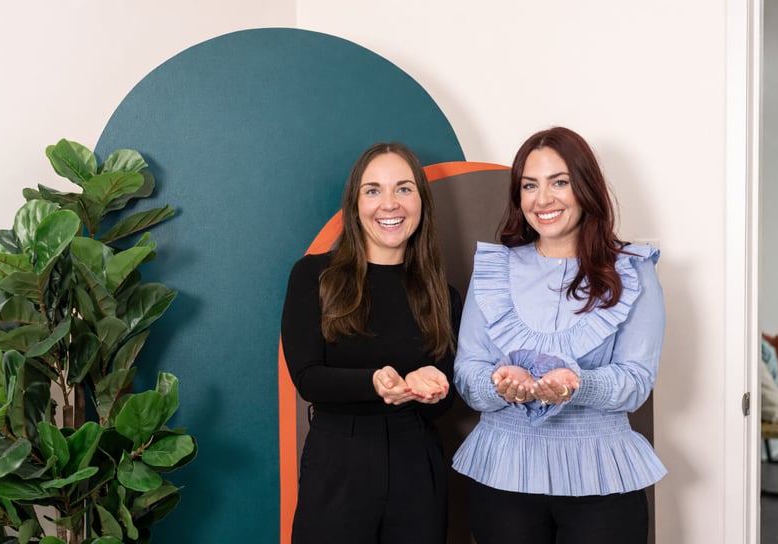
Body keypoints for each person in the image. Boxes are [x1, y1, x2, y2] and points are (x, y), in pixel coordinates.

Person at [452, 126, 666, 544]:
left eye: (559, 182)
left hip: (601, 479)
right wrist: (501, 386)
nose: (542, 199)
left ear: (586, 188)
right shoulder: (495, 270)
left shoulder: (634, 271)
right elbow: (467, 374)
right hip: (502, 475)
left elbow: (637, 382)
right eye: (529, 185)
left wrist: (578, 385)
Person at [281, 142, 462, 544]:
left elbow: (448, 398)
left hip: (417, 464)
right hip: (337, 461)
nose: (389, 204)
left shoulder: (441, 295)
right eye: (373, 190)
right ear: (355, 202)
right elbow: (308, 377)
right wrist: (374, 382)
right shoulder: (315, 276)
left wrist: (434, 386)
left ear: (421, 201)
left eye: (403, 188)